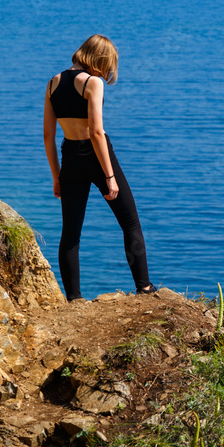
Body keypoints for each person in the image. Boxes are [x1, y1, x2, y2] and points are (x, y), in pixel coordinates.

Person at [43, 34, 157, 302]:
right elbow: (96, 131)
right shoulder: (93, 83)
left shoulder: (52, 83)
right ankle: (144, 287)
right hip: (97, 156)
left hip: (69, 156)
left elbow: (48, 136)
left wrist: (56, 175)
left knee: (70, 233)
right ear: (100, 60)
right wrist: (109, 176)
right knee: (130, 223)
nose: (106, 71)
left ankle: (74, 299)